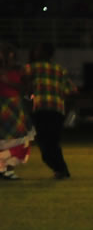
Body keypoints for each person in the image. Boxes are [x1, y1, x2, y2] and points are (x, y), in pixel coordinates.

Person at [23, 43, 77, 179]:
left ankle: (60, 169)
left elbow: (25, 86)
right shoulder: (59, 69)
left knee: (44, 142)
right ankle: (61, 169)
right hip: (57, 109)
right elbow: (71, 90)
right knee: (53, 141)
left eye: (37, 50)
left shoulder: (31, 68)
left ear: (42, 53)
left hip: (41, 108)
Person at [0, 43, 34, 180]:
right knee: (3, 140)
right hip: (2, 105)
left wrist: (8, 82)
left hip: (14, 105)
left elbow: (27, 89)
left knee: (17, 141)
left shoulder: (21, 69)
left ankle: (8, 169)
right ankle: (3, 169)